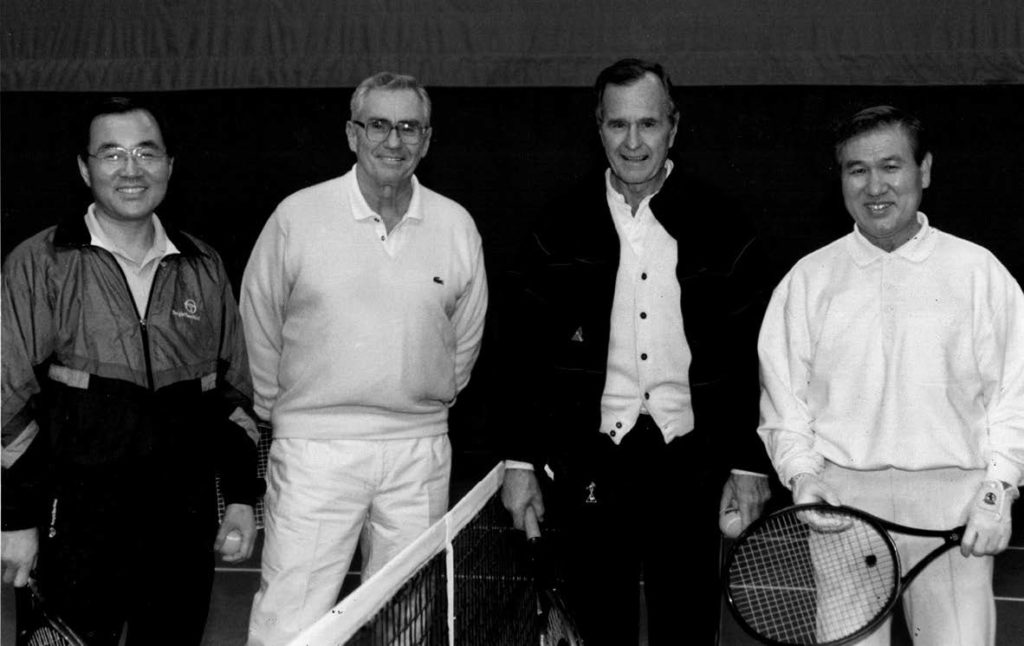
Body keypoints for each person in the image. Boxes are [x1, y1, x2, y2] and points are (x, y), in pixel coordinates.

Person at [498, 58, 774, 646]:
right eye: (618, 124)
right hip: (592, 458)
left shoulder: (723, 221)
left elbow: (755, 355)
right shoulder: (557, 223)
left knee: (688, 628)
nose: (632, 141)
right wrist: (521, 463)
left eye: (647, 124)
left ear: (673, 127)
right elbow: (524, 357)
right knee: (599, 628)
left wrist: (750, 465)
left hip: (690, 462)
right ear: (597, 127)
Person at [0, 95, 262, 645]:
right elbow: (7, 400)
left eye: (146, 152)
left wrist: (241, 497)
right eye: (111, 154)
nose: (131, 169)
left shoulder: (203, 265)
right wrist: (16, 517)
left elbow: (232, 395)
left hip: (181, 534)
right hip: (70, 532)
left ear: (169, 164)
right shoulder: (39, 262)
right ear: (84, 167)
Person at [758, 105, 1023, 645]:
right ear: (841, 179)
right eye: (857, 169)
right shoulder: (807, 281)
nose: (874, 186)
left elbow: (1014, 395)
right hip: (843, 512)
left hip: (954, 516)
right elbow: (785, 404)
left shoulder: (979, 273)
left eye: (891, 166)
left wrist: (999, 489)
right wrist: (804, 478)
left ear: (924, 170)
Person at [240, 71, 488, 646]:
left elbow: (464, 338)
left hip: (419, 452)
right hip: (315, 452)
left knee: (406, 621)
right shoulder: (297, 216)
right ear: (352, 133)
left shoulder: (455, 224)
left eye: (409, 127)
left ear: (427, 140)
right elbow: (259, 319)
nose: (393, 141)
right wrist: (292, 413)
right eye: (378, 124)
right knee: (290, 623)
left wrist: (416, 400)